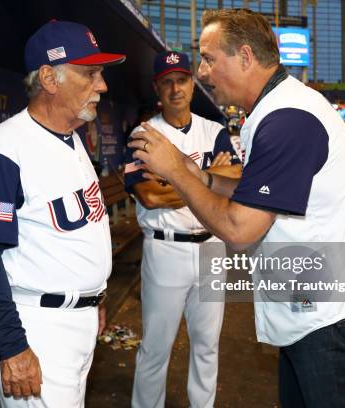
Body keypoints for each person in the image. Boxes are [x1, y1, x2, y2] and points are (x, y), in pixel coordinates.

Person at [129, 9, 345, 408]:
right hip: (317, 307)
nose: (202, 72)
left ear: (245, 57)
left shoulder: (287, 118)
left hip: (330, 315)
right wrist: (197, 174)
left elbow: (240, 228)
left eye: (209, 58)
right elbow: (258, 193)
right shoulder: (280, 108)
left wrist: (176, 175)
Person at [0, 20, 124, 407]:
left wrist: (94, 295)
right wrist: (13, 347)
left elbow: (79, 231)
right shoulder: (3, 149)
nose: (102, 85)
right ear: (50, 77)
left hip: (79, 322)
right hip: (38, 329)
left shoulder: (74, 139)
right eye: (90, 73)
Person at [124, 51, 241, 408]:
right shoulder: (144, 134)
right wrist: (207, 181)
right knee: (156, 348)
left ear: (193, 84)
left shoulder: (216, 132)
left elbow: (237, 182)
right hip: (166, 249)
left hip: (211, 247)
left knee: (207, 345)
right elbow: (149, 196)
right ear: (157, 88)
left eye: (182, 79)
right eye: (167, 81)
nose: (176, 88)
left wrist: (174, 179)